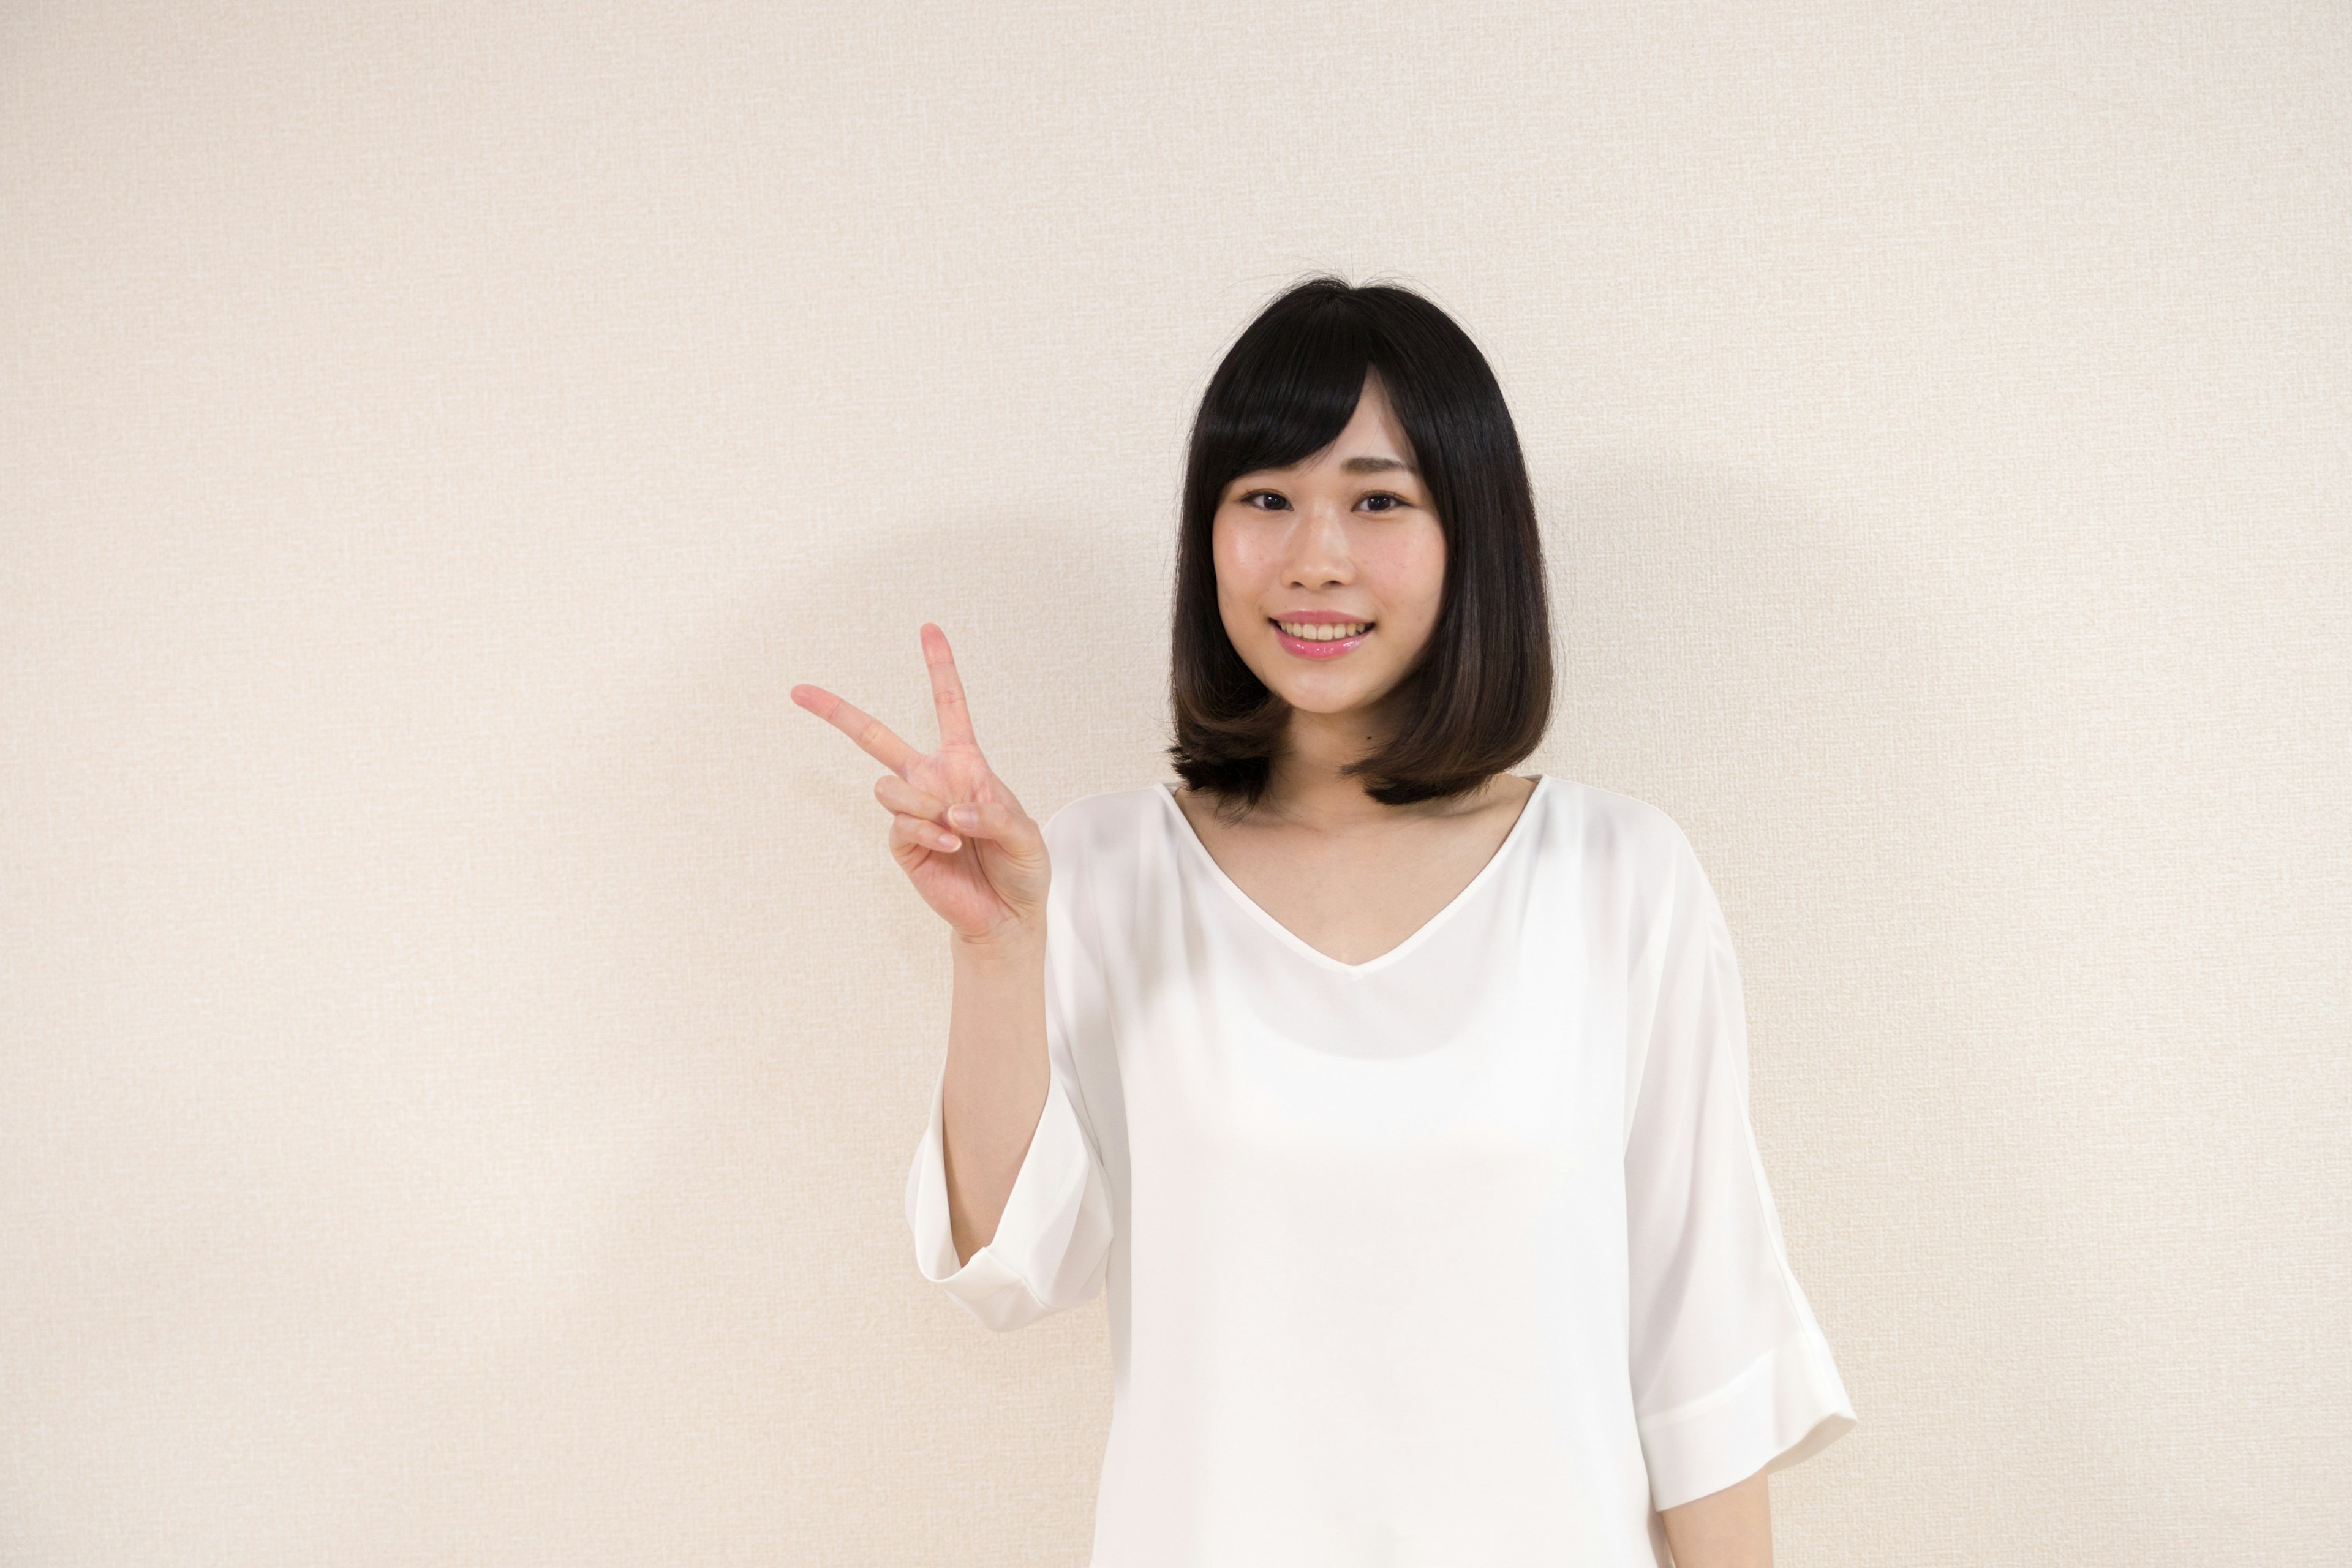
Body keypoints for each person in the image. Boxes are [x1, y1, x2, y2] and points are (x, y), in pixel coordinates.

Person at [793, 277, 1857, 1567]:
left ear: (1475, 535)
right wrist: (997, 945)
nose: (1315, 555)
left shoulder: (1622, 874)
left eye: (1377, 498)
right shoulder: (1104, 866)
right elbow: (1012, 1263)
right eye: (1265, 498)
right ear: (1210, 537)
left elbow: (1703, 1353)